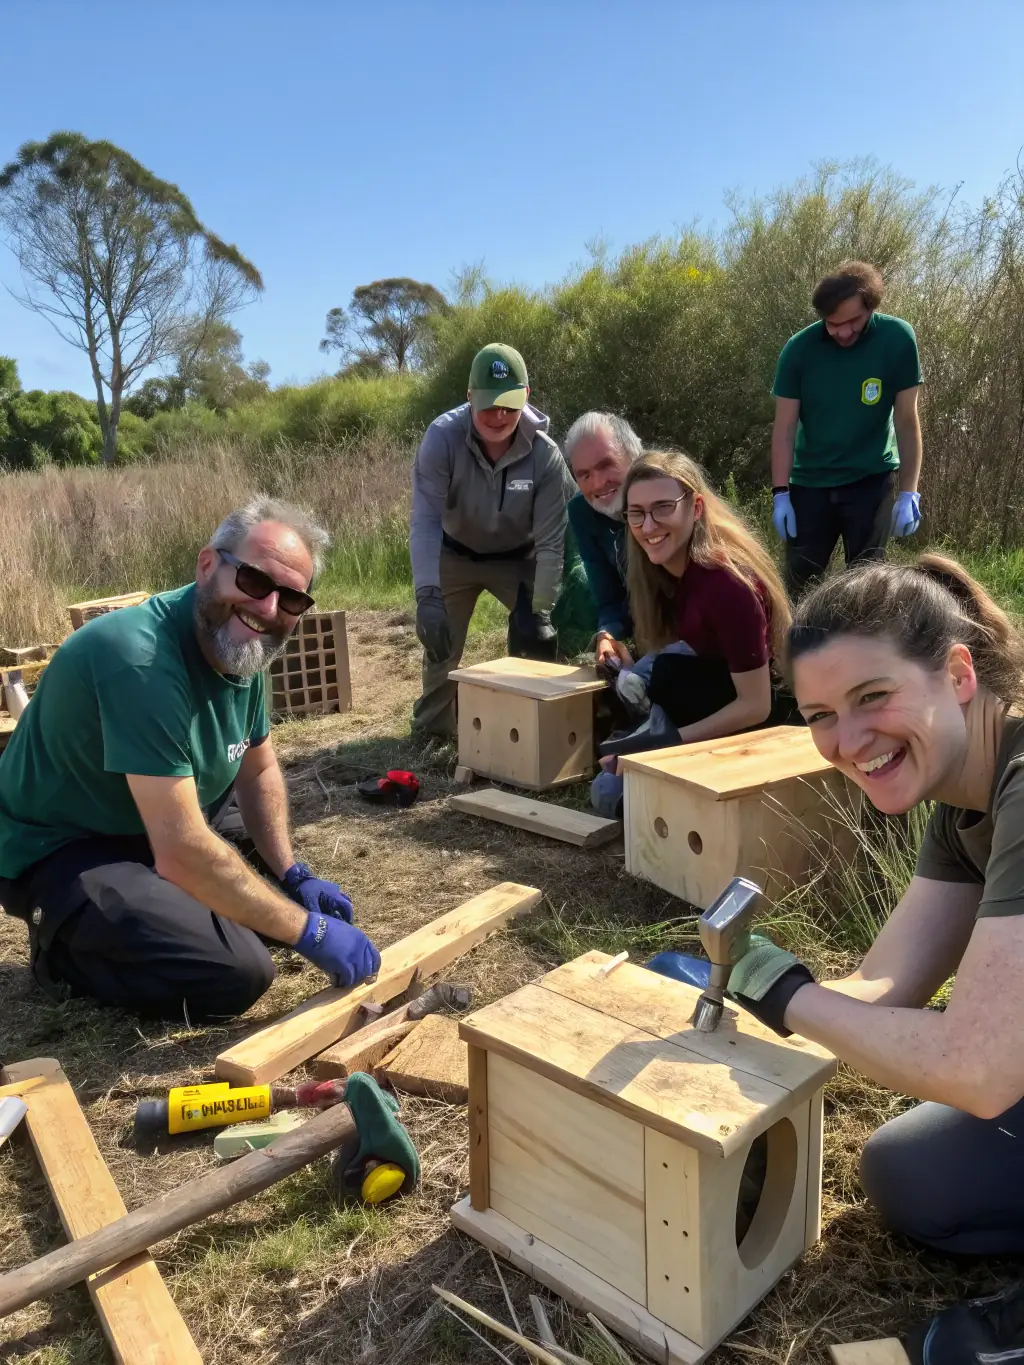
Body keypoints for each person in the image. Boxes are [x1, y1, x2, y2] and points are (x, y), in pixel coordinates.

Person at [725, 555, 1024, 1258]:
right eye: (821, 715)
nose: (849, 741)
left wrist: (788, 994)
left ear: (957, 674)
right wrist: (741, 1015)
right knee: (908, 1173)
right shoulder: (962, 796)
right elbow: (884, 986)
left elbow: (976, 1070)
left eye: (873, 696)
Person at [0, 499, 381, 1023]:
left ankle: (183, 902)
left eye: (292, 599)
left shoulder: (243, 644)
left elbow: (259, 768)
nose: (270, 608)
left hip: (162, 808)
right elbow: (181, 848)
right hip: (66, 843)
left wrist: (292, 874)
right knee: (238, 971)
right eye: (254, 581)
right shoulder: (138, 658)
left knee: (262, 907)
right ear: (208, 565)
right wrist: (305, 929)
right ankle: (63, 949)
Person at [590, 450, 792, 817]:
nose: (648, 526)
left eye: (664, 507)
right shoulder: (670, 571)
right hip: (710, 691)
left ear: (696, 508)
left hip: (762, 721)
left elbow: (757, 705)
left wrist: (667, 745)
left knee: (608, 794)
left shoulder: (727, 585)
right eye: (637, 513)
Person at [409, 343, 575, 737]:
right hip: (455, 553)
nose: (499, 416)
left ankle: (539, 731)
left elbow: (553, 542)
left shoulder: (546, 456)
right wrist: (427, 595)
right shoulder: (442, 439)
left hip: (521, 559)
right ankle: (433, 730)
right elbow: (426, 521)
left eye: (510, 404)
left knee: (546, 638)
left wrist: (541, 609)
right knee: (440, 645)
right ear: (469, 398)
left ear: (527, 397)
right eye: (488, 405)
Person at [770, 261, 924, 596]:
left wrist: (909, 492)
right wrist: (780, 493)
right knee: (799, 584)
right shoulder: (799, 350)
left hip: (870, 480)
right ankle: (793, 646)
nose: (842, 332)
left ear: (871, 306)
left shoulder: (897, 339)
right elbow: (784, 428)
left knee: (867, 587)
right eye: (832, 324)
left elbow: (907, 420)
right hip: (810, 483)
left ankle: (860, 649)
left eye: (852, 321)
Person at [563, 411, 643, 670]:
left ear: (633, 456)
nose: (598, 483)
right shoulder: (581, 511)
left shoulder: (665, 492)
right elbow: (608, 596)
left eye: (606, 464)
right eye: (584, 474)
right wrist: (606, 635)